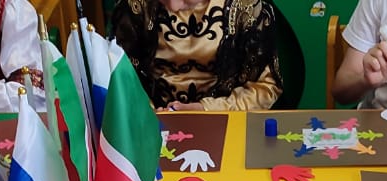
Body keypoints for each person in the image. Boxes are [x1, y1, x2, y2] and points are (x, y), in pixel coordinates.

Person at [111, 0, 282, 111]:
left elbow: (265, 88)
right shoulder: (135, 5)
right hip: (153, 127)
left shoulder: (247, 6)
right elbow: (120, 80)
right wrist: (148, 112)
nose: (173, 6)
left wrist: (206, 109)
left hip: (226, 121)